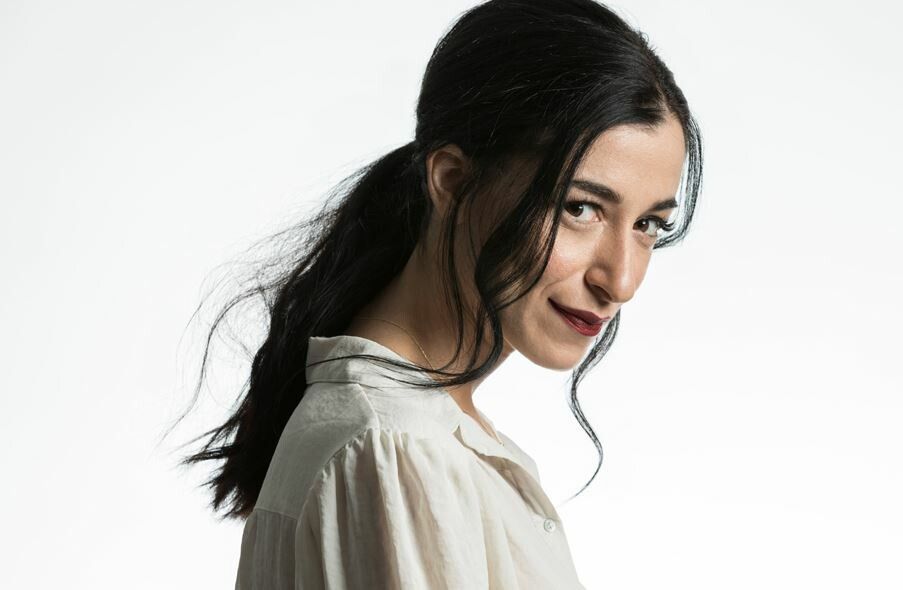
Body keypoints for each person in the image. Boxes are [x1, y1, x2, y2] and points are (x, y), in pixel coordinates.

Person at [177, 0, 702, 587]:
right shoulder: (395, 451)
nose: (621, 280)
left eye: (648, 225)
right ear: (452, 179)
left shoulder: (413, 435)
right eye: (580, 208)